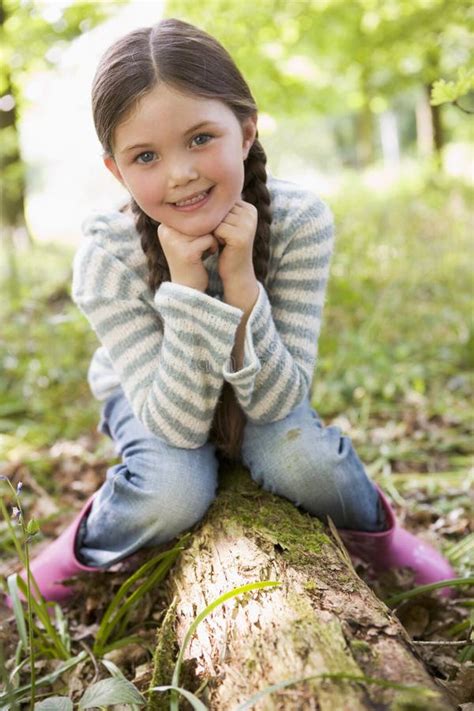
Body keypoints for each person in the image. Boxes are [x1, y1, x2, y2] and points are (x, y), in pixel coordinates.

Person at [9, 18, 454, 604]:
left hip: (265, 380)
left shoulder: (299, 221)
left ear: (246, 132)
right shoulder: (106, 258)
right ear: (116, 170)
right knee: (172, 489)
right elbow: (176, 427)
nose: (181, 173)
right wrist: (190, 288)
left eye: (200, 139)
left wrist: (241, 282)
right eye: (146, 155)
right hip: (152, 395)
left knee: (304, 464)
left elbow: (276, 401)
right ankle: (72, 556)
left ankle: (380, 536)